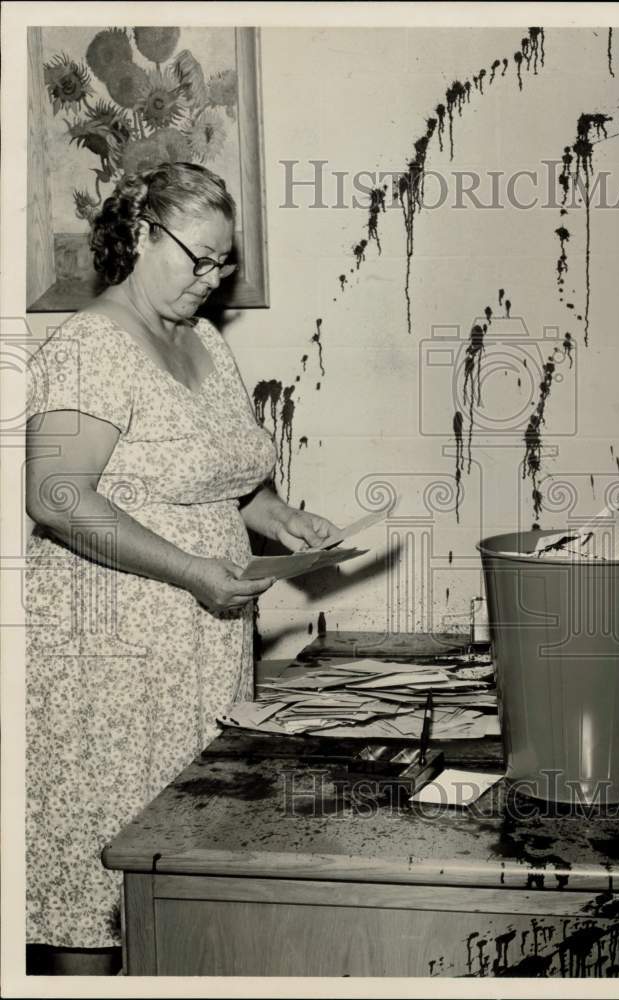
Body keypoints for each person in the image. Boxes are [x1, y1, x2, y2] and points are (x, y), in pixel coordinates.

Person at [24, 162, 336, 975]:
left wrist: (281, 517)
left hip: (202, 648)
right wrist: (192, 569)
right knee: (97, 884)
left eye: (223, 263)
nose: (211, 278)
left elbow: (226, 482)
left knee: (185, 873)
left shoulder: (203, 342)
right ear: (137, 235)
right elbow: (56, 498)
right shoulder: (90, 345)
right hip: (111, 662)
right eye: (197, 258)